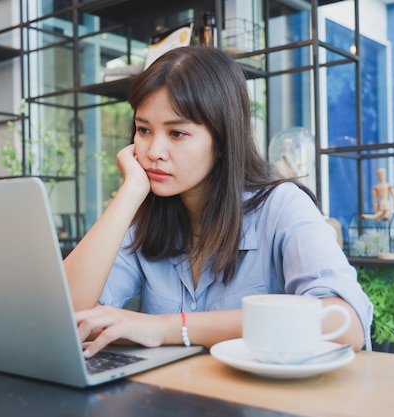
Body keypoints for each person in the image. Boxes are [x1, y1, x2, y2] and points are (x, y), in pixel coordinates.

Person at [64, 46, 373, 358]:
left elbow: (345, 323)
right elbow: (65, 315)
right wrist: (130, 192)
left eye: (177, 133)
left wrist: (168, 328)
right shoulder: (148, 214)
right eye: (144, 130)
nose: (153, 150)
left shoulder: (282, 206)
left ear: (223, 140)